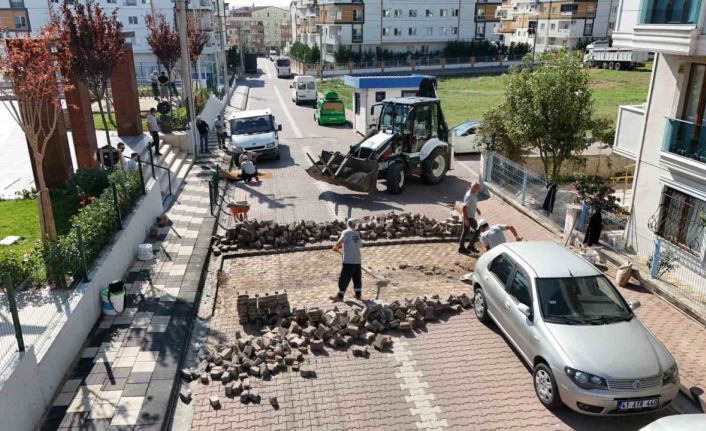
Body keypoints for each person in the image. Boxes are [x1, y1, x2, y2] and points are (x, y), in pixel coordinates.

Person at [330, 219, 363, 302]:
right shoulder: (357, 233)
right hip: (357, 260)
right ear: (354, 225)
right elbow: (360, 245)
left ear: (348, 224)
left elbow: (341, 240)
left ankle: (340, 296)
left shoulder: (346, 232)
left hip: (348, 261)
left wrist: (335, 246)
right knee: (357, 279)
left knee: (344, 279)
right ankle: (358, 296)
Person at [459, 182, 482, 254]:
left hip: (469, 216)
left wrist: (477, 209)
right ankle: (468, 246)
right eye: (478, 188)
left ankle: (463, 248)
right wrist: (466, 220)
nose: (479, 189)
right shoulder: (469, 196)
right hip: (469, 217)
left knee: (465, 232)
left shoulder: (473, 192)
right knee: (478, 230)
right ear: (474, 188)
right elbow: (464, 208)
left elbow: (473, 203)